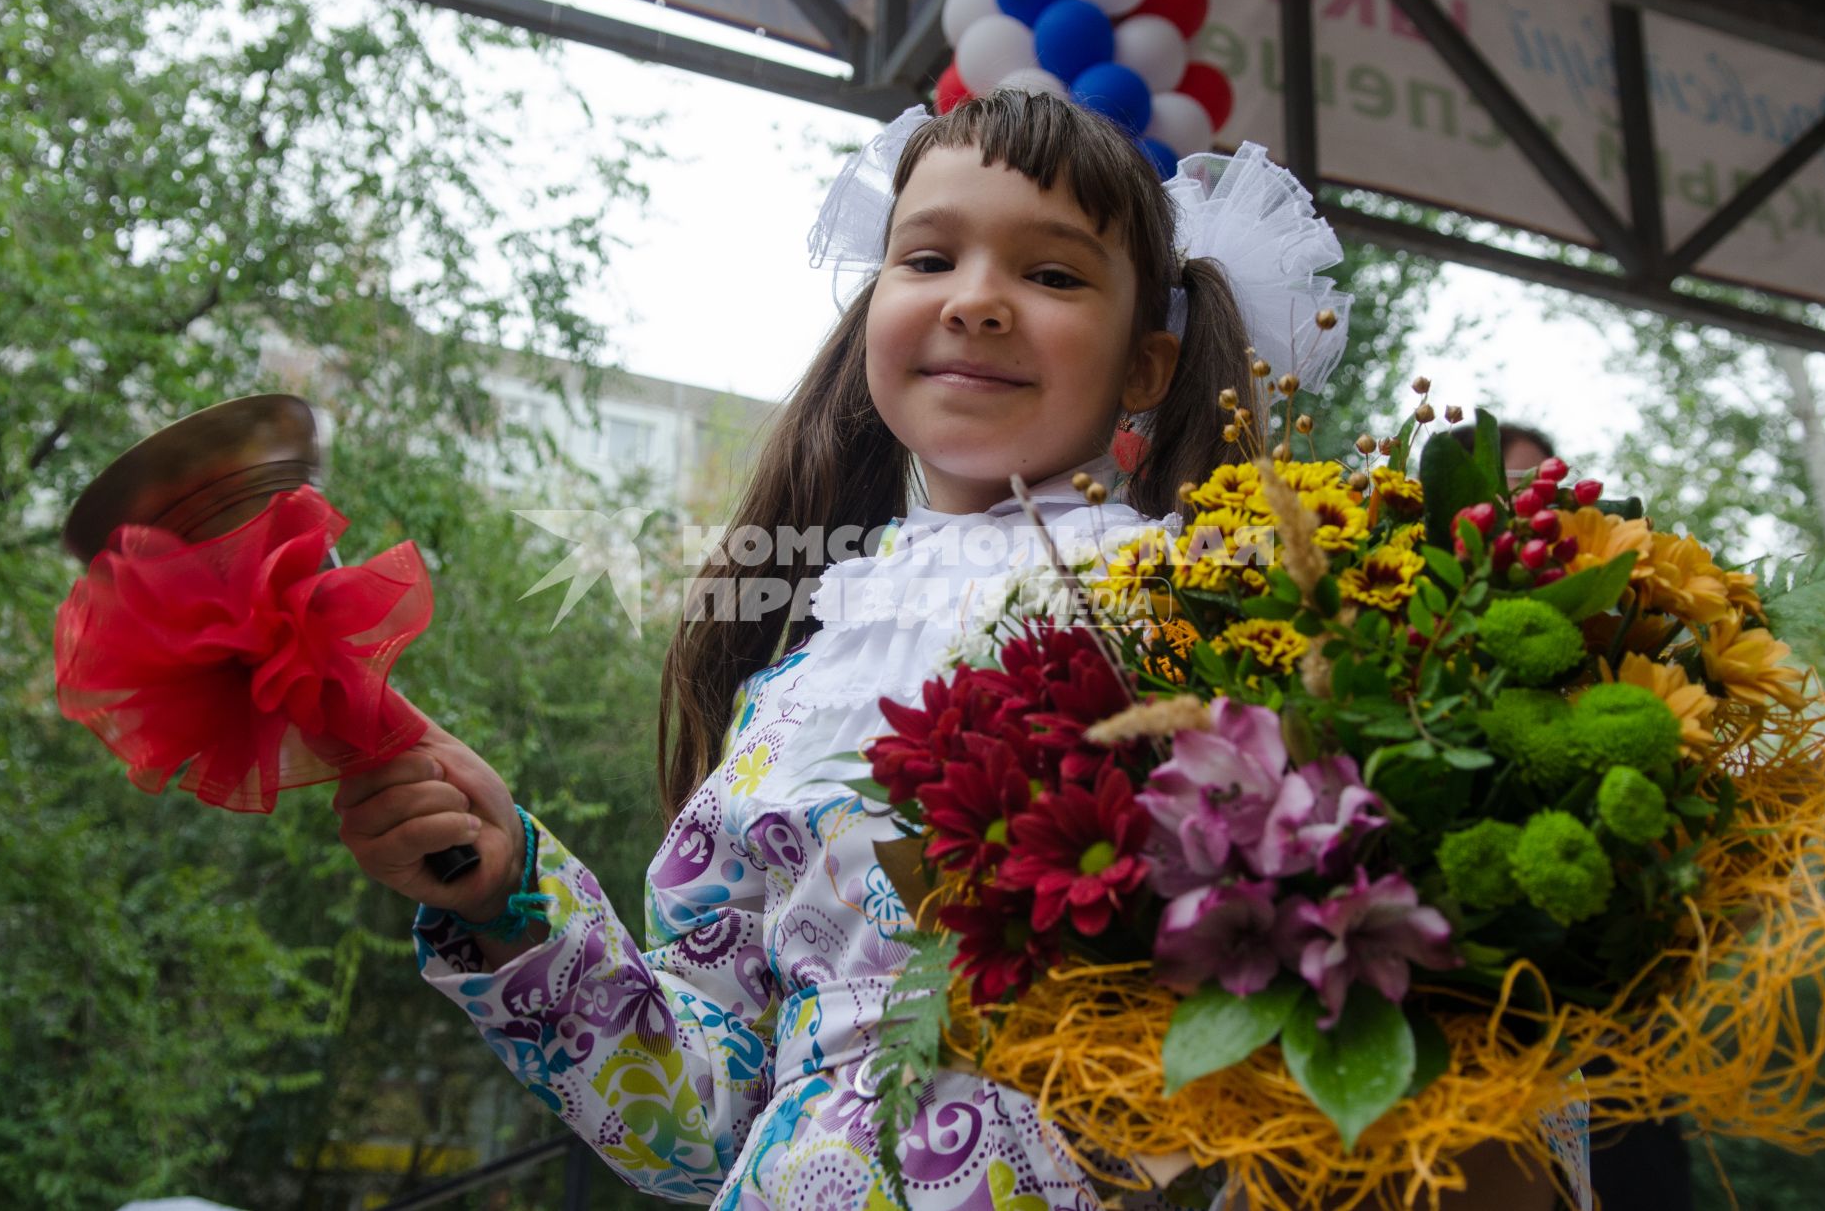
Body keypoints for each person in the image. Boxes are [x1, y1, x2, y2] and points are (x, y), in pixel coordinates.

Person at [333, 91, 1581, 1210]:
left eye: (1052, 273)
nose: (976, 296)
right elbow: (701, 1129)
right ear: (875, 304)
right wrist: (510, 901)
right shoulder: (792, 695)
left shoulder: (1231, 619)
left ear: (1149, 357)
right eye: (928, 256)